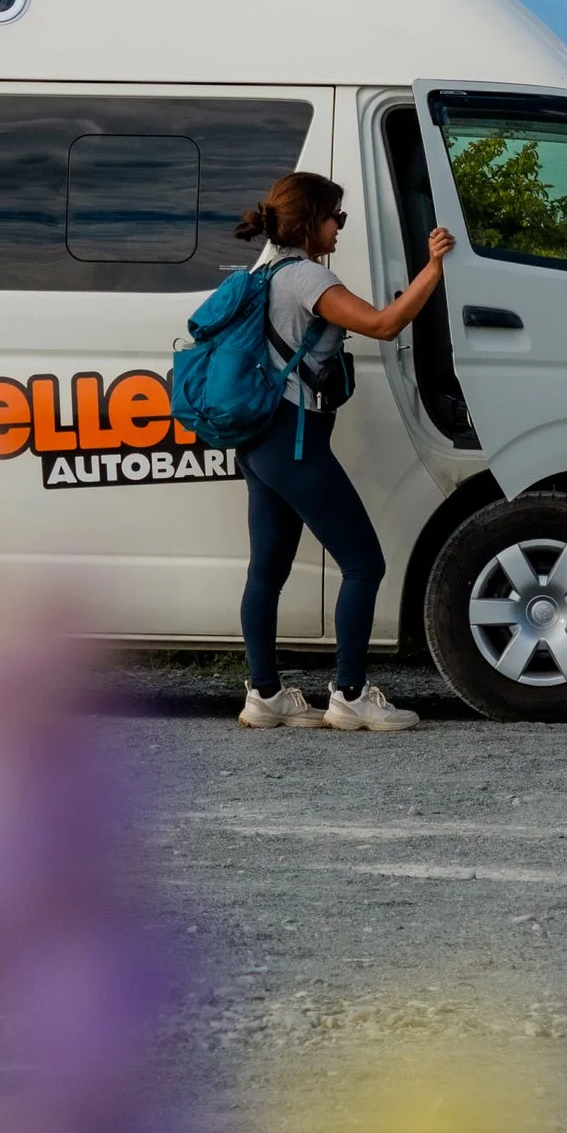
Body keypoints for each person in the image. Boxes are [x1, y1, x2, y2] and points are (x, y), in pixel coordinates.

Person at [233, 169, 454, 731]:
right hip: (295, 438)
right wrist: (434, 267)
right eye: (337, 218)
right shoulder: (307, 279)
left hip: (261, 439)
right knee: (364, 563)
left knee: (267, 572)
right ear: (309, 222)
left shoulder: (265, 272)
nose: (340, 229)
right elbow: (383, 325)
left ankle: (264, 696)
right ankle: (350, 696)